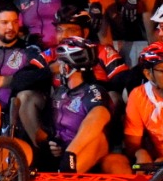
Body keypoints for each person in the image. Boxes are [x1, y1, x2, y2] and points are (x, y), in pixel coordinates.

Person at [37, 36, 130, 173]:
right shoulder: (59, 92)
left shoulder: (94, 91)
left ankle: (66, 179)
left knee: (98, 139)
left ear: (67, 68)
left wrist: (70, 152)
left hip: (86, 153)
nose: (57, 67)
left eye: (60, 63)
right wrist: (52, 142)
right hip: (63, 152)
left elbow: (97, 119)